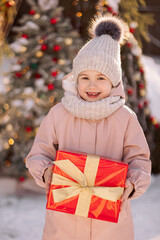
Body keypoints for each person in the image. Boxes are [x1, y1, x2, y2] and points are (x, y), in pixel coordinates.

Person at [26, 14, 151, 240]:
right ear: (76, 79)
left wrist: (131, 183)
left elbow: (140, 160)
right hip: (64, 224)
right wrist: (46, 171)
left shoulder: (125, 118)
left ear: (113, 82)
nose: (92, 85)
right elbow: (38, 153)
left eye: (101, 78)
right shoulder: (58, 114)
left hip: (110, 226)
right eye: (85, 77)